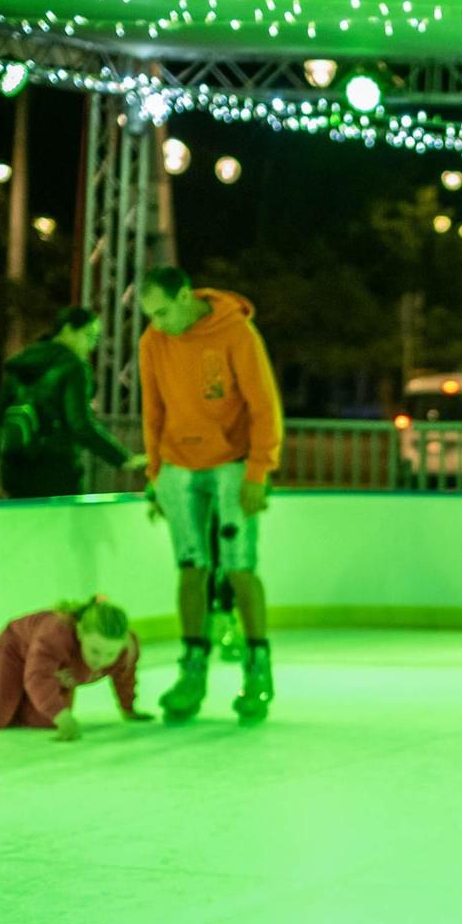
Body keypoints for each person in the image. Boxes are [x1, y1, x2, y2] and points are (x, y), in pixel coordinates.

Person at [136, 265, 284, 723]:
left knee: (240, 567)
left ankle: (258, 669)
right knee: (190, 567)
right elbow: (153, 411)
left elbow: (264, 405)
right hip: (178, 468)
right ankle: (192, 671)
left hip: (232, 465)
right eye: (150, 315)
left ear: (185, 296)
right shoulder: (152, 343)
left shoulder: (236, 333)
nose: (158, 324)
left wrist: (259, 470)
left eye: (162, 312)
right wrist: (156, 475)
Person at [0, 596, 152, 737]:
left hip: (53, 673)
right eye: (94, 651)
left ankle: (6, 698)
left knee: (45, 721)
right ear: (79, 633)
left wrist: (128, 709)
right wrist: (62, 715)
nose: (101, 661)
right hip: (16, 651)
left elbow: (124, 678)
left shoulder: (127, 649)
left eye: (110, 654)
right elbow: (37, 677)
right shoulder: (55, 635)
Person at [0, 306, 136, 499]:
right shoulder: (73, 367)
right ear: (68, 330)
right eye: (89, 335)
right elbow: (80, 425)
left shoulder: (21, 363)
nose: (92, 345)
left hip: (15, 472)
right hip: (57, 472)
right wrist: (122, 459)